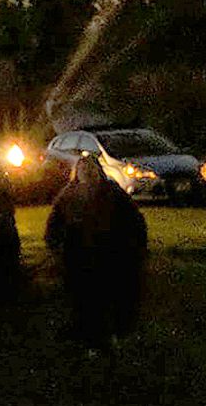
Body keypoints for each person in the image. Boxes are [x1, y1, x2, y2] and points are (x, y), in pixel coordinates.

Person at [44, 149, 147, 353]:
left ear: (99, 171)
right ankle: (89, 337)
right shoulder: (68, 196)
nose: (87, 173)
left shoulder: (112, 193)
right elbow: (55, 224)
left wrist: (133, 247)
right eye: (82, 169)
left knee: (110, 297)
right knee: (84, 299)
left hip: (108, 255)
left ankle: (110, 336)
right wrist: (55, 244)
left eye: (90, 169)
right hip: (79, 255)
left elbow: (134, 223)